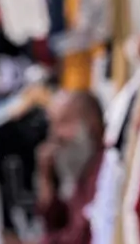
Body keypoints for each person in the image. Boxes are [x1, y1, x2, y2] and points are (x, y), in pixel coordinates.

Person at [36, 90, 105, 244]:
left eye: (64, 122)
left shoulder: (103, 171)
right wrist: (45, 177)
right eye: (52, 124)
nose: (55, 135)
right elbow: (54, 222)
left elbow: (81, 237)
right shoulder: (83, 171)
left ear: (91, 123)